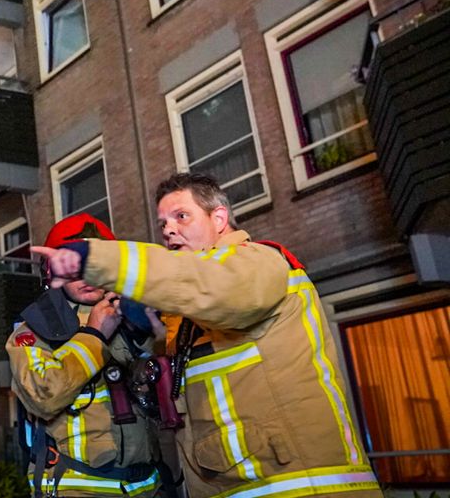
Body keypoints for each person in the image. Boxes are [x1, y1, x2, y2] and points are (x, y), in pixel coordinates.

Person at [35, 173, 381, 498]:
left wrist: (99, 260)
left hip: (298, 485)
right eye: (163, 224)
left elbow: (209, 285)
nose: (169, 230)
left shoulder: (258, 262)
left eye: (181, 216)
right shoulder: (184, 307)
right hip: (236, 482)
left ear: (219, 219)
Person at [7, 214, 166, 497]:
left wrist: (154, 339)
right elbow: (42, 397)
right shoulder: (35, 330)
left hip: (147, 486)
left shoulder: (140, 321)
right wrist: (94, 335)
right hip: (76, 486)